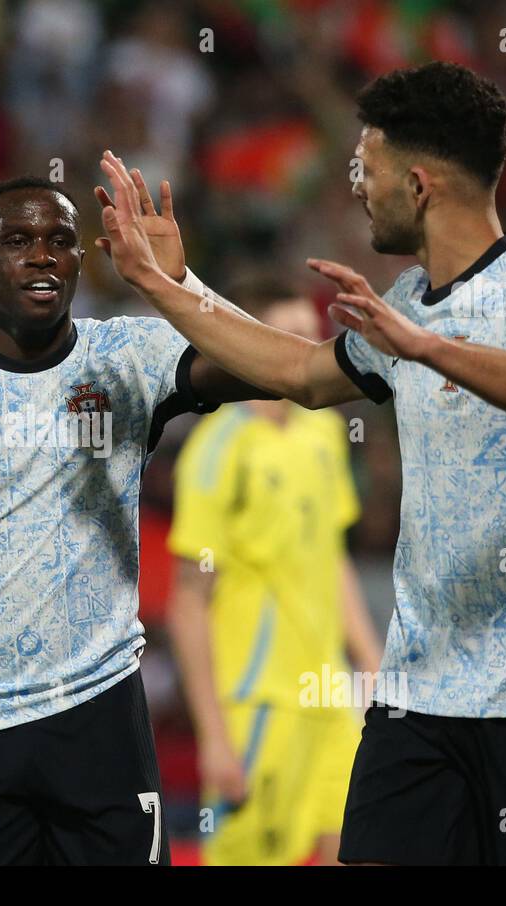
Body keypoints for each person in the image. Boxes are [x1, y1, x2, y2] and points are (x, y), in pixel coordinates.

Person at [98, 60, 506, 865]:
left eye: (365, 168)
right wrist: (172, 286)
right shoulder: (407, 302)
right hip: (417, 694)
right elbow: (297, 372)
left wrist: (426, 348)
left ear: (418, 185)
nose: (355, 186)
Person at [0, 174, 266, 865]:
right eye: (17, 241)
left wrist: (182, 283)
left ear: (79, 261)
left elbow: (270, 372)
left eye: (60, 241)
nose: (42, 255)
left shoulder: (126, 355)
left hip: (99, 711)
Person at [167, 276, 382, 866]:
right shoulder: (217, 451)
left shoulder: (324, 433)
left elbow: (329, 558)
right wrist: (212, 736)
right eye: (288, 338)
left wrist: (373, 669)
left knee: (365, 848)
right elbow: (187, 602)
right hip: (257, 703)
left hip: (330, 697)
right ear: (251, 343)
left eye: (313, 339)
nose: (305, 354)